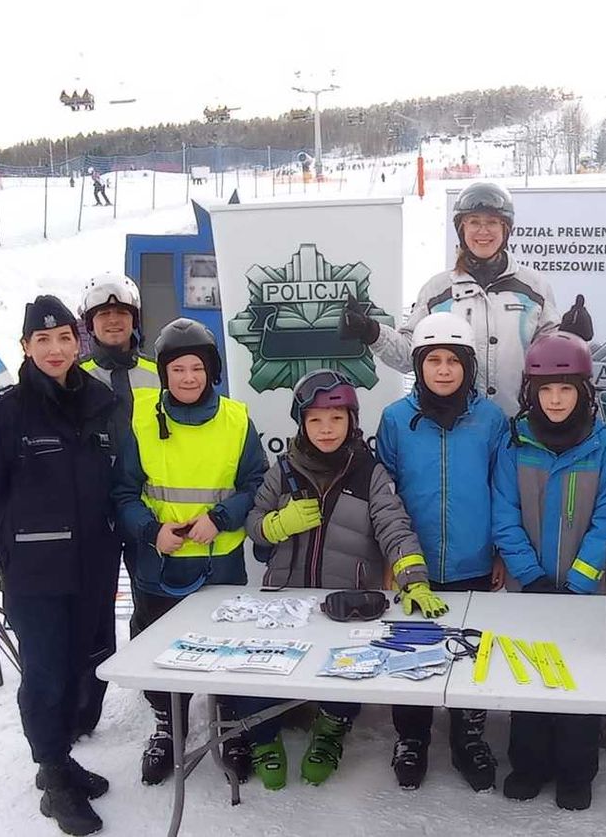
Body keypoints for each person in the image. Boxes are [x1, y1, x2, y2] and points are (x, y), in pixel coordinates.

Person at [243, 369, 448, 789]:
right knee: (261, 671)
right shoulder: (283, 471)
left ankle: (332, 730)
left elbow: (395, 527)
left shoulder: (369, 473)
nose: (326, 429)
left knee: (346, 672)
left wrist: (413, 579)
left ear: (352, 422)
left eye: (336, 419)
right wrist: (277, 524)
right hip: (289, 600)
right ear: (301, 423)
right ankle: (263, 738)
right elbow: (254, 523)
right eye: (315, 419)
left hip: (348, 602)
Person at [0, 295, 119, 837]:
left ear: (79, 342)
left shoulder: (100, 401)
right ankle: (52, 774)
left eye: (65, 339)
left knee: (82, 662)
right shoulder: (5, 413)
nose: (56, 349)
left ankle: (62, 756)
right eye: (42, 340)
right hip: (35, 573)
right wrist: (5, 557)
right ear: (26, 347)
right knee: (47, 673)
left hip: (93, 567)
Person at [111, 318, 268, 787]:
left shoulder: (236, 419)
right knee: (157, 650)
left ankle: (229, 722)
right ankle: (167, 723)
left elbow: (256, 483)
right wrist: (150, 530)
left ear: (211, 370)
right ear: (164, 373)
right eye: (177, 369)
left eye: (196, 368)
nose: (187, 378)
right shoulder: (140, 418)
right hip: (158, 563)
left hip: (218, 563)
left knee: (226, 648)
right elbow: (123, 492)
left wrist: (219, 519)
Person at [492, 332, 606, 810]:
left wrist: (577, 582)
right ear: (531, 392)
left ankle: (576, 771)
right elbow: (503, 514)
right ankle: (528, 764)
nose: (555, 399)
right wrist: (529, 575)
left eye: (566, 389)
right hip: (529, 588)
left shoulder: (604, 447)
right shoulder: (515, 442)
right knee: (529, 675)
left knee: (578, 678)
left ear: (584, 392)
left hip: (582, 594)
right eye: (545, 390)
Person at [376, 311, 508, 792]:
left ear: (469, 366)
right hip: (415, 561)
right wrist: (392, 557)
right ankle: (411, 736)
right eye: (433, 359)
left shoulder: (491, 420)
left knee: (470, 652)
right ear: (419, 364)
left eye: (455, 360)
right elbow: (383, 492)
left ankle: (468, 735)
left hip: (474, 559)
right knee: (410, 648)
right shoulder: (395, 419)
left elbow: (504, 487)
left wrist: (498, 550)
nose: (444, 369)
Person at [338, 180, 594, 416]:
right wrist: (371, 331)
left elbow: (549, 357)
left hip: (517, 426)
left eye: (492, 222)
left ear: (506, 229)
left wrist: (570, 336)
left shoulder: (534, 287)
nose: (483, 231)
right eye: (474, 222)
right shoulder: (438, 290)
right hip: (460, 430)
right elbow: (409, 356)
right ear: (462, 229)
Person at [71, 273, 160, 740]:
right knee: (93, 610)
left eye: (121, 313)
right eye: (103, 314)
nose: (112, 321)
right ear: (90, 323)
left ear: (134, 321)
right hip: (92, 512)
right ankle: (85, 708)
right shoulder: (75, 379)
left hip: (145, 508)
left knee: (149, 599)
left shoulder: (154, 375)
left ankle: (158, 697)